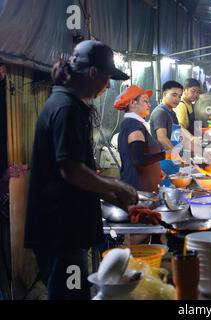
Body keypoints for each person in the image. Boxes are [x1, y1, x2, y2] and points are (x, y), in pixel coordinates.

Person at [24, 40, 138, 300]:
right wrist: (115, 186)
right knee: (71, 296)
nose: (108, 85)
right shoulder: (66, 109)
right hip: (61, 232)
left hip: (64, 229)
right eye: (108, 77)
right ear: (93, 73)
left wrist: (109, 195)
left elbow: (76, 172)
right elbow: (71, 171)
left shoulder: (67, 104)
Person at [114, 85, 165, 193]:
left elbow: (140, 155)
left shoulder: (133, 124)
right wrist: (166, 155)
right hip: (138, 191)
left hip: (145, 188)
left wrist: (155, 169)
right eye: (146, 101)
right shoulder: (133, 125)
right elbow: (139, 159)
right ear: (133, 103)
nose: (149, 105)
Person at [149, 81, 184, 186]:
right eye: (174, 95)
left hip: (172, 161)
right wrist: (176, 155)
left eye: (179, 96)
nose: (177, 99)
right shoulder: (160, 113)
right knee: (165, 193)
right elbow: (162, 138)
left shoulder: (172, 113)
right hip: (163, 162)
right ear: (164, 94)